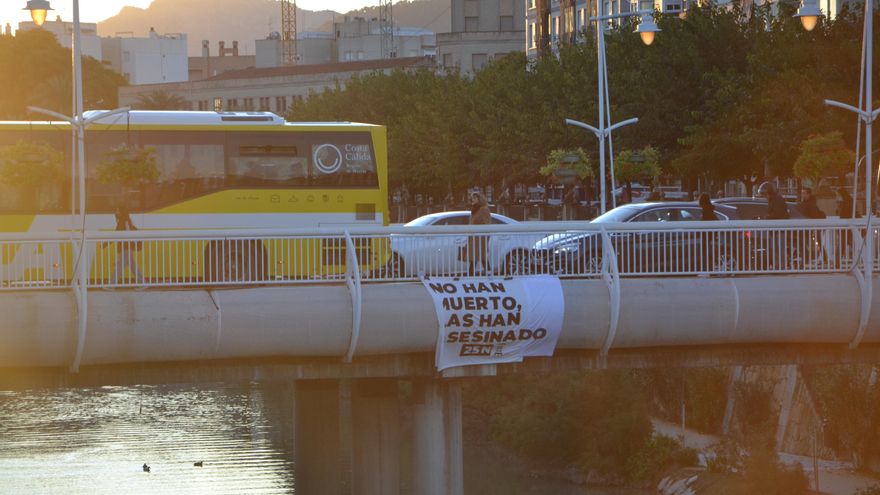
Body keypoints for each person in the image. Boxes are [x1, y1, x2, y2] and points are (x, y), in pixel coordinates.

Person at [110, 205, 144, 285]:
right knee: (132, 267)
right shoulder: (126, 220)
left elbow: (115, 235)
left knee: (119, 266)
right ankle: (142, 282)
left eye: (117, 210)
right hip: (126, 247)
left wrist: (104, 244)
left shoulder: (123, 221)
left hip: (125, 247)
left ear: (121, 212)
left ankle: (111, 285)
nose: (116, 212)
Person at [467, 192, 492, 275]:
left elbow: (487, 223)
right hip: (474, 237)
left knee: (478, 256)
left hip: (481, 237)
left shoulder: (483, 209)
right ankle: (488, 273)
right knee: (478, 256)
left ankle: (471, 275)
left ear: (479, 199)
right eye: (472, 198)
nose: (472, 200)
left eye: (474, 198)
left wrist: (485, 236)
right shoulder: (474, 209)